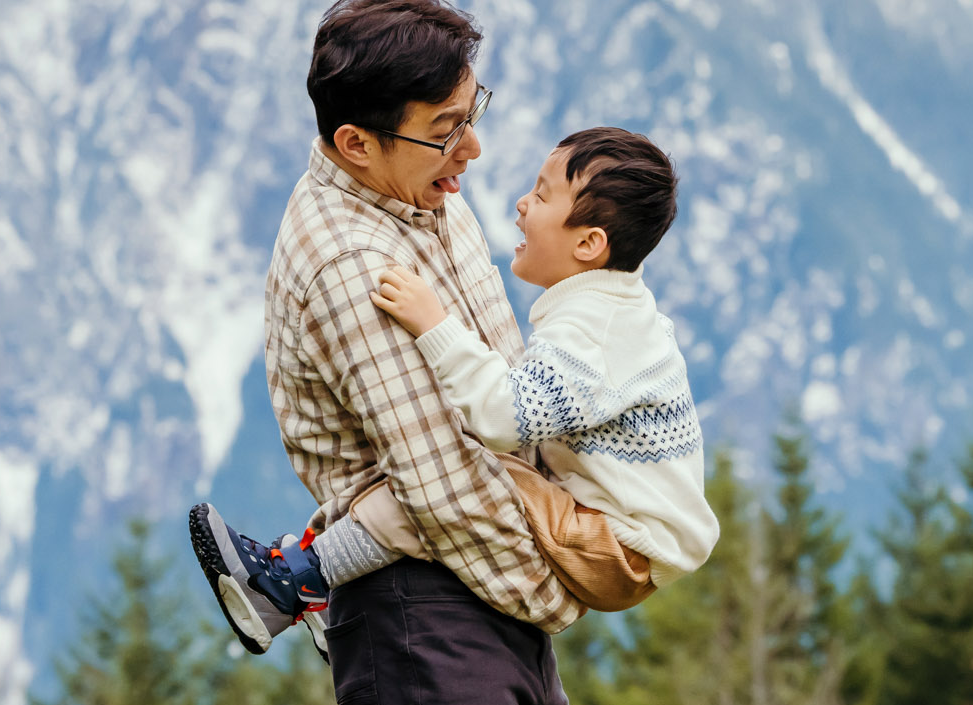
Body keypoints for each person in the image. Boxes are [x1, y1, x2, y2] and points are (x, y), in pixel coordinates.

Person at [189, 0, 577, 705]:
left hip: (484, 609)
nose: (472, 148)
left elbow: (500, 386)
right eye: (444, 129)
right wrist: (563, 572)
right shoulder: (352, 261)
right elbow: (449, 482)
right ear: (354, 140)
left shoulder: (423, 200)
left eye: (473, 114)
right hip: (426, 616)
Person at [197, 125, 716, 647]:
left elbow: (501, 417)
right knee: (453, 480)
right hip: (630, 543)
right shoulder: (615, 306)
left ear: (588, 243)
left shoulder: (595, 334)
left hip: (617, 548)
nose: (521, 204)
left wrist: (434, 324)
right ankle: (324, 578)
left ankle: (294, 584)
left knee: (448, 477)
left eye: (541, 194)